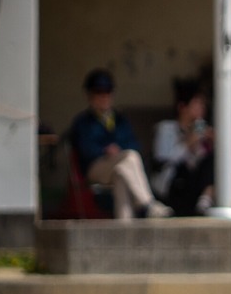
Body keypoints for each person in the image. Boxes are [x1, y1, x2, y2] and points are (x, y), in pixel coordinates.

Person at [69, 68, 172, 221]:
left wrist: (119, 150)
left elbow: (134, 144)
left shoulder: (120, 119)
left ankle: (124, 226)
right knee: (130, 157)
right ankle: (147, 203)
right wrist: (105, 150)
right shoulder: (83, 121)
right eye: (99, 92)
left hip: (119, 165)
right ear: (90, 95)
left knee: (122, 172)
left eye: (108, 92)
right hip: (96, 168)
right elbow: (85, 149)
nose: (104, 97)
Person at [151, 79, 215, 216]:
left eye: (202, 104)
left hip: (194, 185)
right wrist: (187, 144)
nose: (201, 109)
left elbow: (203, 164)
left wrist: (212, 144)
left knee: (213, 160)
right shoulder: (165, 129)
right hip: (172, 183)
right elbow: (162, 160)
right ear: (182, 107)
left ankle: (205, 201)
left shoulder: (201, 130)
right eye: (196, 104)